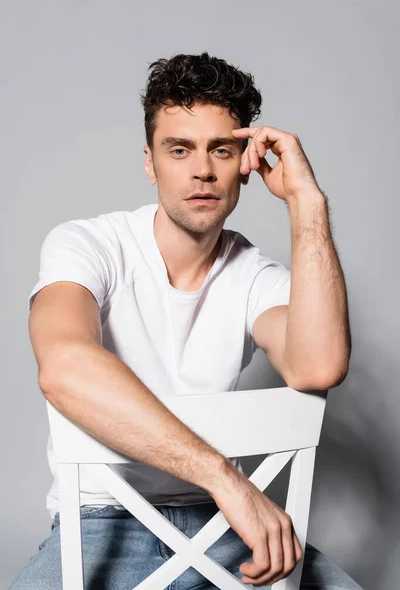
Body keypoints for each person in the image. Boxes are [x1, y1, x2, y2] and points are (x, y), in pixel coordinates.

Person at [9, 52, 363, 590]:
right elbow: (64, 367)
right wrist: (227, 481)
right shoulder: (87, 245)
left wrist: (306, 202)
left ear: (246, 161)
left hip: (225, 529)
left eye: (221, 150)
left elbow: (318, 368)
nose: (202, 170)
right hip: (100, 527)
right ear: (150, 162)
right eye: (180, 150)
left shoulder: (253, 274)